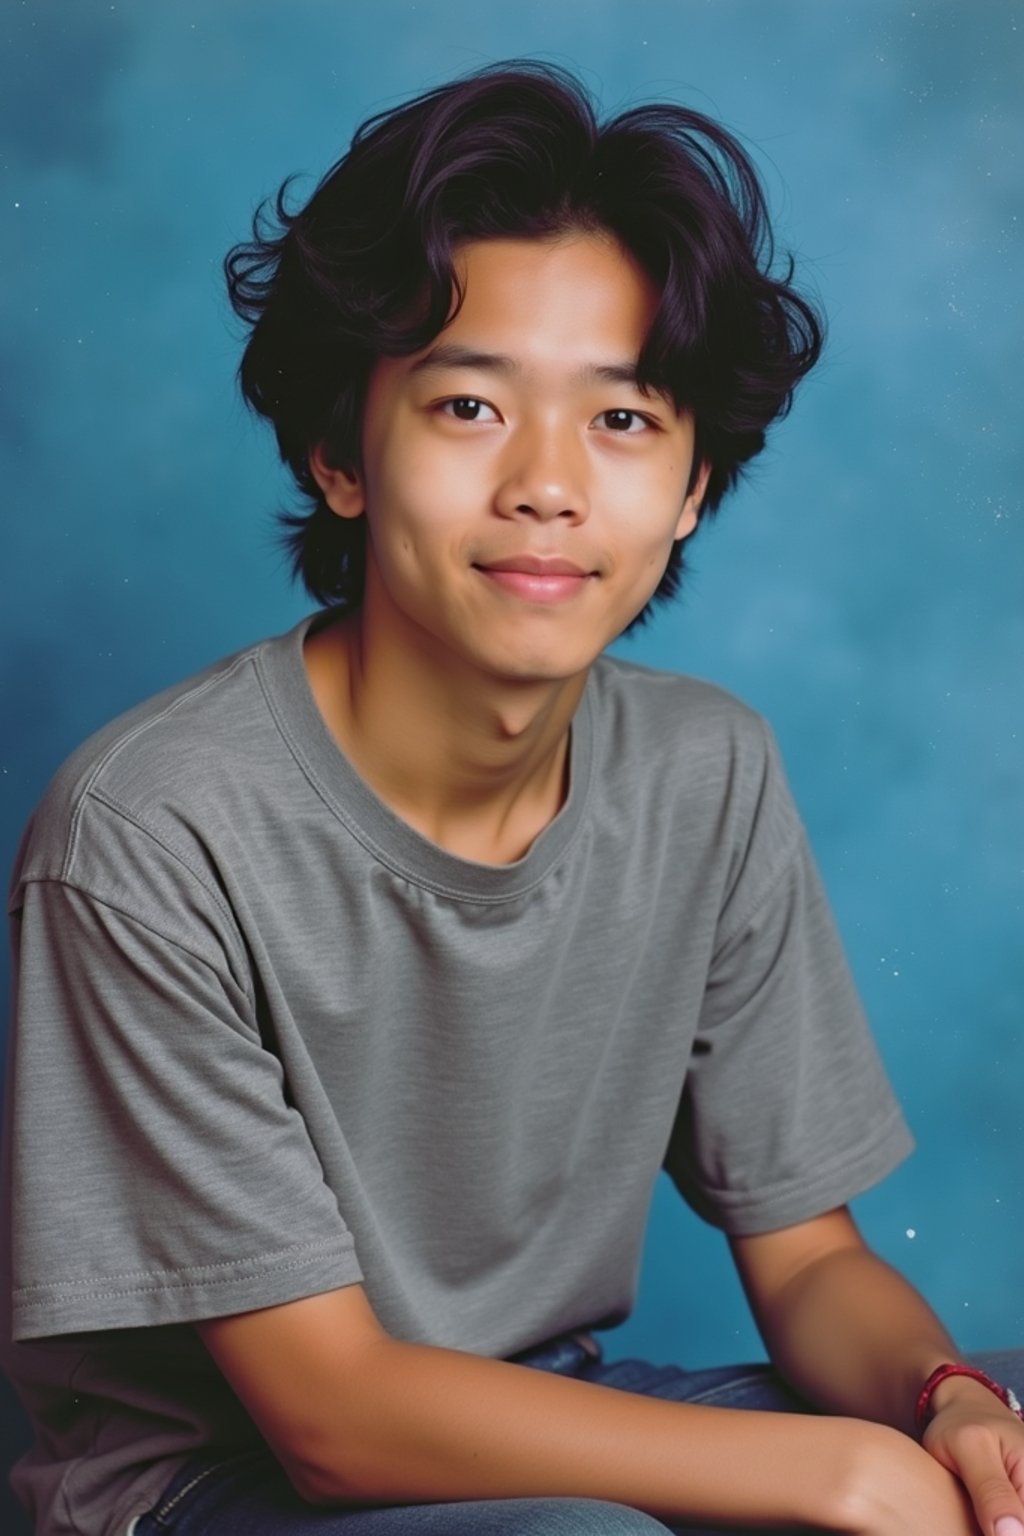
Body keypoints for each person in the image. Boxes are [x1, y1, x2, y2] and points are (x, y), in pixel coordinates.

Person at [2, 59, 1022, 1536]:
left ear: (689, 488)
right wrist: (848, 1480)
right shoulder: (152, 829)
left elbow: (807, 1264)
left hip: (562, 1403)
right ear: (340, 454)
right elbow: (334, 1421)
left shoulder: (705, 771)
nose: (548, 484)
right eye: (471, 404)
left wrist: (941, 1405)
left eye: (622, 421)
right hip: (219, 1489)